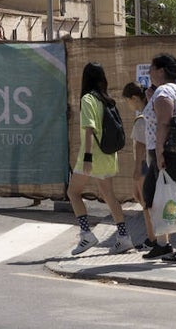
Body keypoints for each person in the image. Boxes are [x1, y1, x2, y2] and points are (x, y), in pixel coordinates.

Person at [67, 62, 133, 255]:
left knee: (73, 192)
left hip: (91, 155)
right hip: (108, 155)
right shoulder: (107, 100)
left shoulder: (88, 99)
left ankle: (86, 234)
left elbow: (89, 129)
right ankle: (123, 236)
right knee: (109, 195)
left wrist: (87, 158)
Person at [141, 53, 176, 262]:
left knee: (175, 198)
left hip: (166, 152)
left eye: (151, 69)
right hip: (175, 151)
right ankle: (163, 244)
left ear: (161, 71)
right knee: (154, 196)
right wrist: (150, 99)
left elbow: (164, 123)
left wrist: (159, 153)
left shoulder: (164, 91)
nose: (149, 73)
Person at [122, 81, 154, 248]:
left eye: (127, 100)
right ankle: (153, 238)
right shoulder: (149, 115)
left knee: (147, 205)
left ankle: (153, 239)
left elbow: (140, 146)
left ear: (134, 98)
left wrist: (136, 169)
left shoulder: (141, 119)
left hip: (144, 167)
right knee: (143, 201)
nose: (128, 105)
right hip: (148, 165)